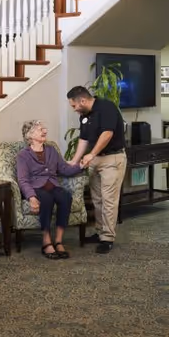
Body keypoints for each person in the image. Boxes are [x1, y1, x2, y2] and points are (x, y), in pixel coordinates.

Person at [66, 86, 127, 254]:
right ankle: (100, 232)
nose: (74, 109)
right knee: (97, 199)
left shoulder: (107, 107)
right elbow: (83, 139)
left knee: (109, 200)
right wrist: (75, 161)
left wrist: (91, 154)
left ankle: (107, 238)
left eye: (74, 106)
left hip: (112, 159)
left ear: (83, 100)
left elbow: (107, 134)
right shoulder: (84, 115)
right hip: (95, 160)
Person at [15, 120, 84, 260]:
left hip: (53, 185)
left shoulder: (51, 150)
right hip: (36, 187)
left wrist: (81, 166)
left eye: (44, 128)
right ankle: (46, 241)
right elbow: (23, 180)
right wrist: (31, 197)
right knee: (46, 199)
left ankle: (58, 241)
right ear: (30, 135)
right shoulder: (23, 155)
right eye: (40, 129)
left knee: (66, 197)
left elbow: (64, 169)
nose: (45, 131)